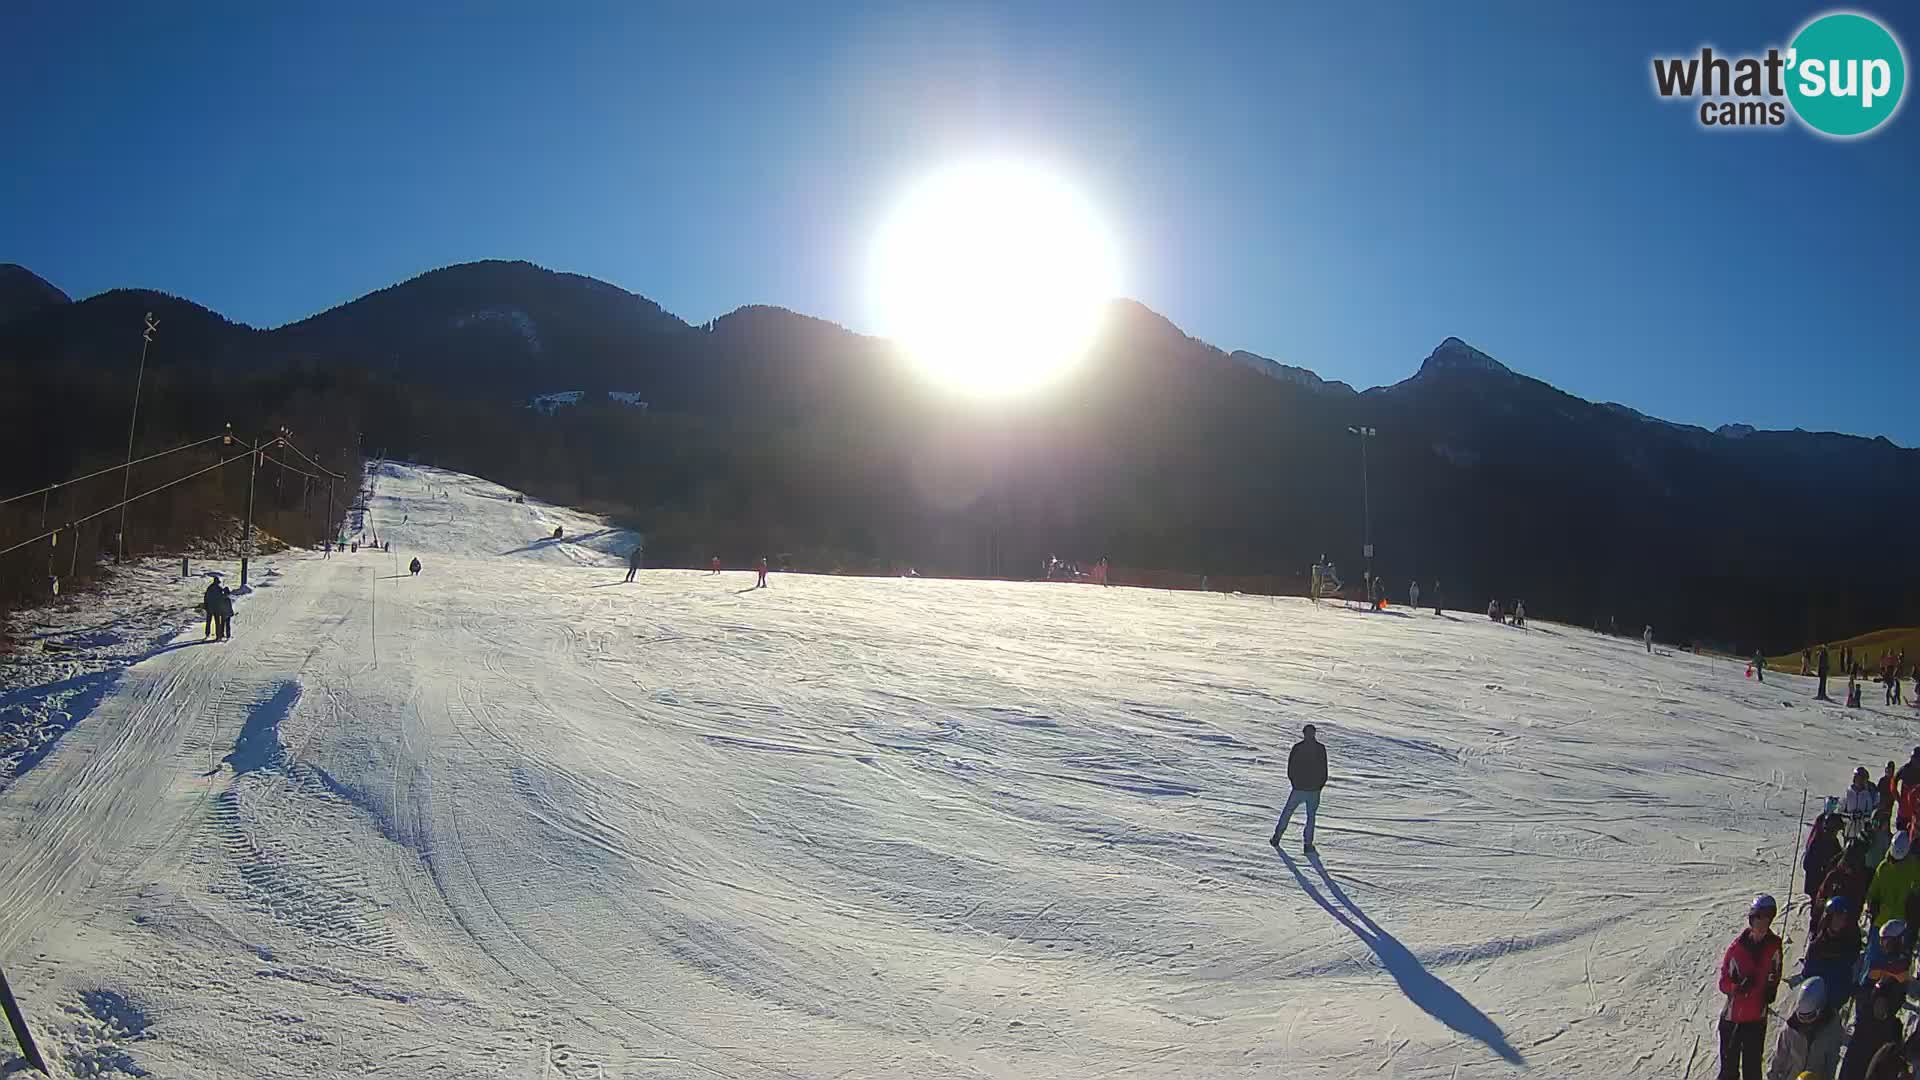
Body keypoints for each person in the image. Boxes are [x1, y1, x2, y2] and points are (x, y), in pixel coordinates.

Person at [1716, 894, 1782, 1080]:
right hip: (1733, 1019)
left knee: (1752, 1070)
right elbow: (1723, 983)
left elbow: (1776, 971)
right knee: (1729, 1071)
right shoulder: (1737, 949)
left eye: (1766, 919)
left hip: (1756, 1019)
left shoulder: (1774, 946)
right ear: (1751, 920)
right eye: (1758, 919)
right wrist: (1737, 988)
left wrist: (1772, 989)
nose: (1761, 925)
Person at [1766, 976, 1843, 1080]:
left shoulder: (1831, 1028)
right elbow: (1779, 1056)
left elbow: (1831, 1060)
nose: (1805, 1022)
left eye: (1810, 1016)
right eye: (1802, 1017)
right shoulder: (1791, 1027)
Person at [1268, 724, 1328, 855]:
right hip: (1313, 790)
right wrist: (1319, 786)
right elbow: (1324, 770)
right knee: (1310, 817)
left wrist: (1295, 783)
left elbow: (1290, 768)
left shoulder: (1298, 748)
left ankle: (1277, 838)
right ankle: (1307, 845)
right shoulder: (1320, 748)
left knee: (1288, 812)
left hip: (1299, 788)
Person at [1801, 896, 1863, 991]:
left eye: (1843, 917)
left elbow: (1850, 969)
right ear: (1829, 918)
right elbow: (1808, 973)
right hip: (1818, 991)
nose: (1840, 921)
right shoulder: (1817, 944)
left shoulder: (1850, 943)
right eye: (1837, 916)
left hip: (1838, 989)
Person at [1843, 768, 1882, 843]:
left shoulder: (1866, 795)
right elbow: (1840, 813)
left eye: (1861, 779)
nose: (1859, 781)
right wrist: (1850, 816)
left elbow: (1870, 814)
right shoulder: (1848, 793)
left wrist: (1862, 816)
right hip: (1848, 832)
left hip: (1861, 834)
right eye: (1857, 778)